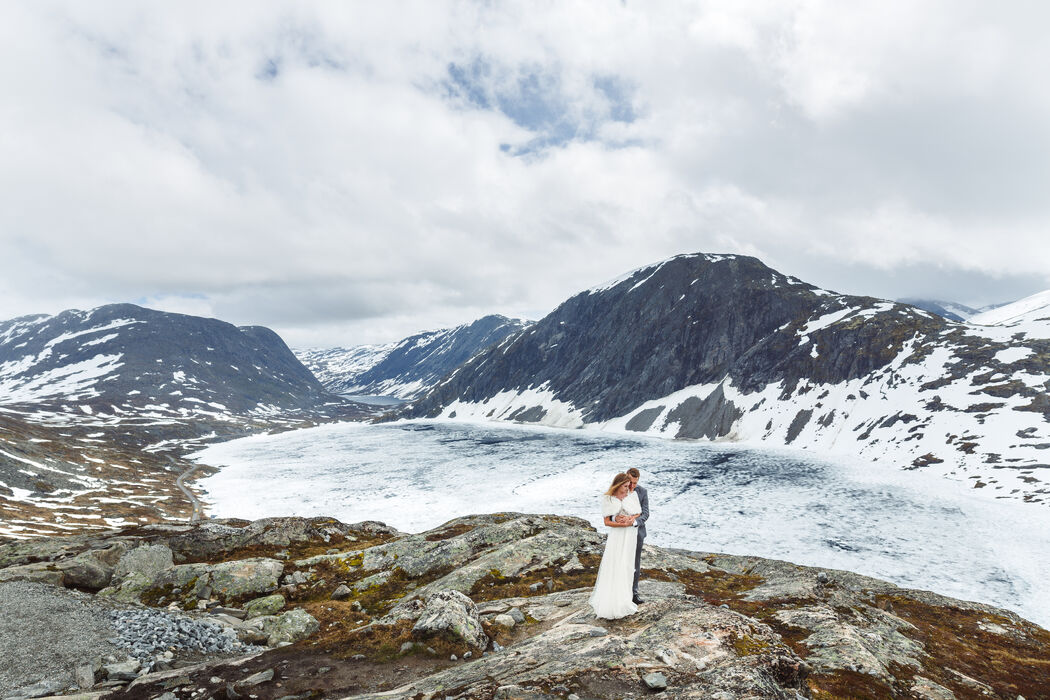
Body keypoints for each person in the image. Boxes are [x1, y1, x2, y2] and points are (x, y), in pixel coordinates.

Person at [588, 472, 642, 619]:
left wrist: (631, 519)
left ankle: (624, 600)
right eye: (625, 486)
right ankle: (611, 602)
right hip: (617, 535)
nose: (628, 488)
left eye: (629, 485)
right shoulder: (608, 498)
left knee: (626, 566)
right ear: (618, 485)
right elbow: (606, 522)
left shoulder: (632, 495)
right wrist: (620, 524)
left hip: (630, 535)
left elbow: (638, 513)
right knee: (614, 565)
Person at [620, 467, 649, 604]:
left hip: (637, 533)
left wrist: (635, 522)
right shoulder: (619, 490)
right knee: (621, 562)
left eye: (635, 483)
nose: (632, 486)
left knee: (635, 564)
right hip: (622, 533)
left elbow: (645, 513)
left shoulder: (642, 492)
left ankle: (634, 593)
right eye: (630, 482)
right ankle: (620, 592)